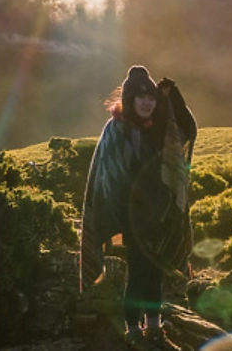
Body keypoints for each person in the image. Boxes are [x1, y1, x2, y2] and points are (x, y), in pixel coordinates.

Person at [80, 65, 197, 351]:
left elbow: (188, 130)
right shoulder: (116, 130)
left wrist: (174, 98)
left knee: (154, 272)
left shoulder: (158, 128)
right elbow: (109, 177)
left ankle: (153, 327)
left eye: (152, 98)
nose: (147, 102)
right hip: (131, 218)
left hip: (159, 215)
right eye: (141, 97)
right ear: (130, 99)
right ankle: (134, 329)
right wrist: (128, 217)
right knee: (139, 272)